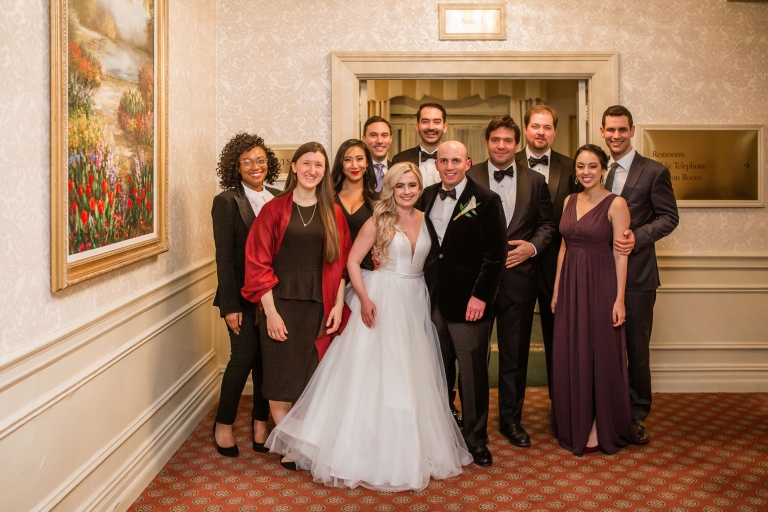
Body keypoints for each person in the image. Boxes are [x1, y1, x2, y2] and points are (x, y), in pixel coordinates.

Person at [266, 163, 472, 491]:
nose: (407, 191)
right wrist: (363, 298)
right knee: (374, 372)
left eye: (413, 185)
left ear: (420, 189)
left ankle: (406, 445)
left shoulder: (424, 217)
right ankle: (360, 446)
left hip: (413, 297)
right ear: (390, 188)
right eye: (400, 185)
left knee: (409, 372)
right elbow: (351, 260)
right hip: (381, 297)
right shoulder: (379, 219)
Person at [241, 142, 352, 469]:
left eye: (319, 165)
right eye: (306, 163)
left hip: (319, 305)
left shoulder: (333, 211)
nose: (312, 170)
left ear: (324, 171)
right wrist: (271, 313)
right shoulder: (274, 210)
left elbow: (342, 262)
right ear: (294, 167)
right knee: (279, 381)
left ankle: (297, 445)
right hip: (279, 304)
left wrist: (337, 304)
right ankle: (290, 444)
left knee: (310, 381)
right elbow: (257, 263)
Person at [467, 116, 556, 449]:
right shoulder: (468, 175)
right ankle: (473, 425)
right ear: (486, 142)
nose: (501, 146)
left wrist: (532, 248)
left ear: (516, 144)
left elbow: (548, 224)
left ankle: (510, 420)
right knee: (475, 356)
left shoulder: (535, 181)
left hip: (519, 281)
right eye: (495, 140)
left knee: (515, 355)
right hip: (475, 283)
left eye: (507, 141)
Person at [551, 143, 641, 455]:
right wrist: (556, 289)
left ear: (603, 169)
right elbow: (564, 247)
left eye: (592, 166)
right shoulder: (569, 199)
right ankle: (576, 420)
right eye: (580, 166)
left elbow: (621, 254)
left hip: (601, 285)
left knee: (598, 353)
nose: (586, 172)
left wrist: (619, 300)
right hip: (571, 286)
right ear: (575, 170)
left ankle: (599, 425)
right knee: (572, 350)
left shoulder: (617, 204)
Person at [421, 141, 507, 467]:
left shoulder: (486, 200)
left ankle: (476, 440)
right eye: (444, 160)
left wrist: (481, 296)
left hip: (470, 302)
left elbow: (496, 256)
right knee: (438, 372)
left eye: (456, 160)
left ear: (468, 163)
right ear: (436, 164)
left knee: (472, 376)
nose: (450, 166)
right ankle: (444, 437)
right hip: (431, 299)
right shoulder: (426, 196)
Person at [600, 105, 679, 442]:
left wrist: (638, 237)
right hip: (599, 274)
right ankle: (607, 408)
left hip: (638, 277)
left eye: (622, 129)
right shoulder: (595, 169)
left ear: (632, 130)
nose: (616, 136)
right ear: (602, 132)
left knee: (636, 348)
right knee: (604, 345)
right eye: (610, 130)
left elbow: (669, 217)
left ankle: (636, 413)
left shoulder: (654, 171)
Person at [211, 133, 282, 457]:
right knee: (241, 360)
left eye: (260, 160)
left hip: (274, 298)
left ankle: (259, 424)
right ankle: (224, 424)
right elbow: (224, 258)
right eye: (247, 162)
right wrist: (229, 305)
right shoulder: (226, 201)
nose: (255, 166)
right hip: (240, 298)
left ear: (269, 163)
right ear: (235, 167)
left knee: (267, 362)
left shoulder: (281, 197)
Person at [514, 105, 580, 395]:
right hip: (514, 265)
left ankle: (561, 405)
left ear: (555, 131)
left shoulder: (572, 167)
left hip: (558, 266)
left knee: (558, 340)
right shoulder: (506, 162)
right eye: (535, 126)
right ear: (526, 128)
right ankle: (512, 412)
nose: (541, 132)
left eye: (547, 127)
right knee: (514, 342)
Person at [332, 139, 378, 270]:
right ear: (340, 163)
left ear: (367, 163)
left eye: (359, 159)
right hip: (334, 271)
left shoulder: (378, 201)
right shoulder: (328, 198)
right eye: (347, 160)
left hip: (366, 273)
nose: (354, 165)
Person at [392, 102, 448, 187]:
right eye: (425, 122)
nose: (431, 127)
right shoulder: (399, 160)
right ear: (417, 127)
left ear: (444, 127)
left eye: (437, 122)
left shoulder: (460, 161)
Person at [361, 116, 393, 192]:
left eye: (384, 135)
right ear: (363, 139)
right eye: (373, 135)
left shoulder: (398, 171)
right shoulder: (356, 171)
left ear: (391, 139)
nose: (379, 141)